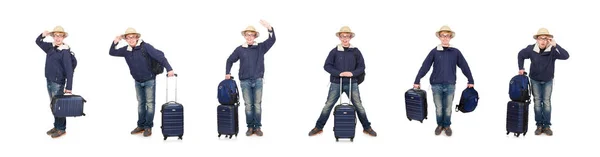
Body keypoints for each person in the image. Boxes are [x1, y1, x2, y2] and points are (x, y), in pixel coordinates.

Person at [308, 26, 377, 137]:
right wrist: (339, 73)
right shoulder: (334, 51)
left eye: (347, 36)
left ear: (350, 37)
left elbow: (362, 67)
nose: (345, 39)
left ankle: (367, 128)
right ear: (340, 37)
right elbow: (327, 66)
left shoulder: (356, 51)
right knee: (328, 106)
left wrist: (352, 73)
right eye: (343, 36)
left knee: (359, 106)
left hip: (352, 83)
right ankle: (318, 127)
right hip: (336, 83)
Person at [109, 27, 175, 137]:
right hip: (137, 81)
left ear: (137, 37)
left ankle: (148, 127)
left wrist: (169, 69)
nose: (131, 40)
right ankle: (141, 125)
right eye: (128, 38)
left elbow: (160, 57)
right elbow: (112, 52)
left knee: (150, 104)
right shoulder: (126, 50)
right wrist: (116, 40)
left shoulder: (146, 47)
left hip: (149, 80)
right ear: (126, 39)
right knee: (141, 104)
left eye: (133, 37)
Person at [413, 25, 475, 136]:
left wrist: (470, 79)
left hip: (450, 85)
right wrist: (417, 80)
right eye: (442, 36)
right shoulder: (434, 52)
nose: (445, 38)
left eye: (447, 36)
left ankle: (447, 125)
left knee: (448, 108)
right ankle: (439, 125)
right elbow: (425, 66)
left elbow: (464, 66)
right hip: (436, 85)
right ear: (439, 37)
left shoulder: (455, 52)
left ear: (450, 37)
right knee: (439, 108)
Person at [225, 20, 276, 136]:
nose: (249, 37)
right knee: (248, 105)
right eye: (247, 34)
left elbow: (272, 40)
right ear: (245, 36)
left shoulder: (261, 47)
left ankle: (257, 127)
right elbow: (229, 60)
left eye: (251, 35)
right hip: (245, 81)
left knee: (257, 105)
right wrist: (227, 72)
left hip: (258, 80)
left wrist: (269, 28)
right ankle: (250, 127)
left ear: (254, 36)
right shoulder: (239, 49)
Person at [518, 28, 569, 136]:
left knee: (546, 103)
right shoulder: (530, 49)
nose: (543, 41)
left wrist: (556, 45)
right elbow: (520, 55)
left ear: (548, 40)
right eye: (540, 38)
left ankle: (546, 126)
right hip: (535, 80)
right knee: (537, 103)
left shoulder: (552, 51)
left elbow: (566, 56)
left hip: (548, 81)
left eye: (545, 39)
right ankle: (539, 125)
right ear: (537, 39)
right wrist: (521, 68)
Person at [36, 26, 75, 138]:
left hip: (58, 83)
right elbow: (38, 42)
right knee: (54, 105)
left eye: (60, 36)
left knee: (59, 107)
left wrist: (69, 87)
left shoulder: (65, 51)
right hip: (49, 80)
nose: (58, 38)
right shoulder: (50, 47)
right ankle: (57, 126)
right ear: (53, 36)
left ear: (63, 37)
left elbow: (69, 71)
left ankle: (61, 129)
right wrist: (43, 35)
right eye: (56, 35)